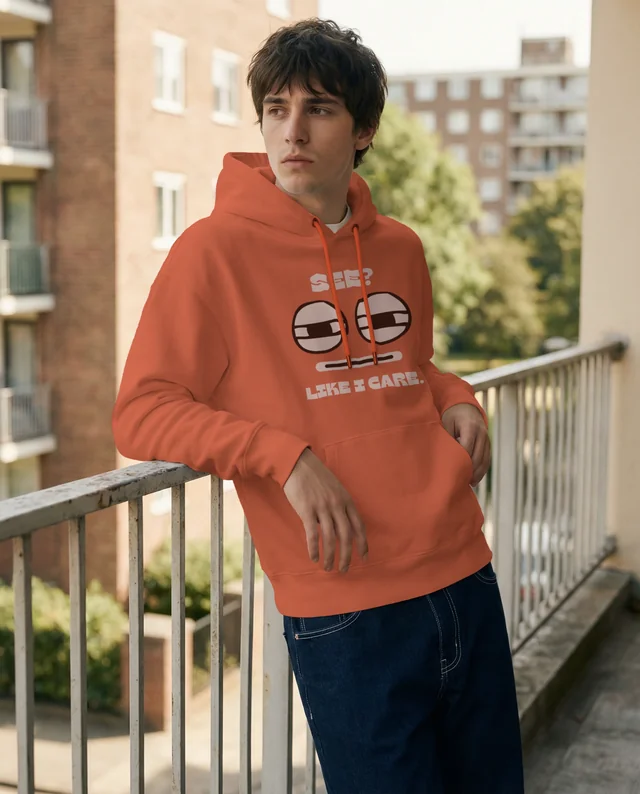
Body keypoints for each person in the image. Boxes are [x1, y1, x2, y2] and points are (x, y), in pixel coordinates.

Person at [112, 18, 524, 794]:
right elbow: (141, 411)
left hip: (463, 571)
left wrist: (455, 395)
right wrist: (285, 456)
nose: (291, 130)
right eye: (276, 108)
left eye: (320, 109)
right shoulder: (213, 253)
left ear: (363, 129)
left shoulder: (399, 247)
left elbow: (402, 367)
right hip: (345, 604)